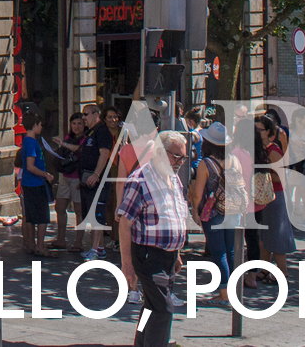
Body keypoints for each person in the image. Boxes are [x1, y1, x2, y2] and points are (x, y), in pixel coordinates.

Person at [117, 131, 191, 347]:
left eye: (183, 157)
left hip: (168, 256)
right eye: (176, 156)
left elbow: (175, 215)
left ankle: (140, 343)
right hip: (148, 255)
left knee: (151, 306)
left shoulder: (174, 178)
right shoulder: (140, 180)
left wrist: (177, 252)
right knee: (163, 309)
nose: (180, 162)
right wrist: (127, 264)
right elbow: (124, 223)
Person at [186, 124, 235, 301]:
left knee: (219, 252)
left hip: (213, 211)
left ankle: (224, 291)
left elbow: (198, 193)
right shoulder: (234, 160)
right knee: (231, 250)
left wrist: (195, 211)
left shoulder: (206, 164)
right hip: (233, 209)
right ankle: (233, 288)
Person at [252, 115, 295, 278]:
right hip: (263, 196)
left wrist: (261, 175)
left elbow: (282, 176)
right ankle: (265, 269)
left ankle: (282, 271)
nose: (256, 132)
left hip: (275, 196)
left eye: (260, 129)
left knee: (276, 235)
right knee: (264, 236)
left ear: (269, 132)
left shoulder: (273, 150)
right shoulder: (259, 149)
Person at [78, 104, 114, 260]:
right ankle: (99, 247)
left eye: (86, 114)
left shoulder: (102, 131)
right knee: (90, 214)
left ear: (96, 114)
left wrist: (96, 174)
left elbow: (104, 153)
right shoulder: (90, 132)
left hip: (97, 181)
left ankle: (94, 249)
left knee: (97, 215)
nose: (83, 117)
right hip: (87, 180)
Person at [19, 115, 54, 257]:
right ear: (35, 125)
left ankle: (30, 244)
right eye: (40, 125)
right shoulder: (32, 143)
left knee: (30, 216)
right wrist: (46, 174)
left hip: (28, 183)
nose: (41, 127)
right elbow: (30, 166)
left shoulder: (26, 141)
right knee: (42, 216)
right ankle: (39, 245)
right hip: (35, 183)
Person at [53, 113, 85, 251]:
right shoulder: (68, 137)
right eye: (74, 124)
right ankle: (61, 239)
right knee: (60, 207)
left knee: (79, 210)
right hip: (65, 176)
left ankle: (78, 242)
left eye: (79, 123)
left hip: (77, 177)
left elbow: (79, 150)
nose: (76, 127)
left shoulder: (86, 139)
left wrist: (63, 144)